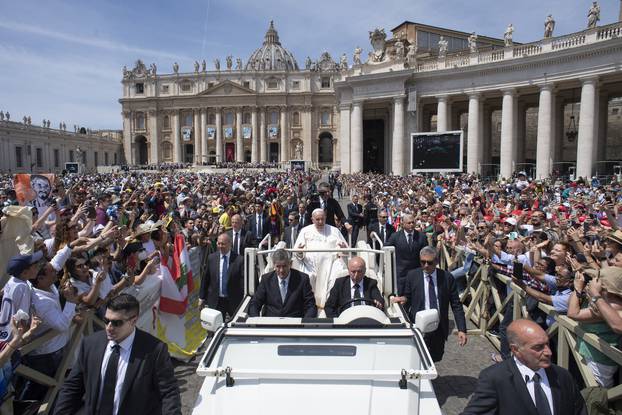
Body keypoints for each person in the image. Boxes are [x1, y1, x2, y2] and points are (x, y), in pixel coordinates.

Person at [54, 294, 181, 415]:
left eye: (116, 323)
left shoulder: (154, 350)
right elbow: (72, 387)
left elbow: (169, 392)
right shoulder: (90, 344)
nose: (109, 327)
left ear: (133, 320)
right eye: (106, 320)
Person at [462, 319, 587, 415]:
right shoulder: (495, 378)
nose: (548, 352)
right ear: (516, 350)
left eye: (547, 344)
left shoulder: (562, 376)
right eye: (538, 347)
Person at [393, 246, 467, 362]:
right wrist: (404, 299)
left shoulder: (447, 278)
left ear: (436, 261)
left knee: (436, 357)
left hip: (438, 326)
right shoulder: (412, 276)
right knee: (416, 357)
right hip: (418, 325)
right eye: (423, 262)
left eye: (429, 262)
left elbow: (456, 305)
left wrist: (462, 329)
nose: (426, 265)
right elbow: (407, 296)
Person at [248, 249, 316, 318]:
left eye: (284, 266)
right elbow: (255, 304)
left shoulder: (302, 279)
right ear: (274, 265)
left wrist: (305, 324)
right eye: (278, 266)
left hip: (295, 325)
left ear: (290, 264)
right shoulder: (266, 280)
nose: (281, 270)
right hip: (270, 325)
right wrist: (256, 321)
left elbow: (310, 305)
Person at [198, 233, 244, 317]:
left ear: (230, 244)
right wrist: (201, 297)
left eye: (223, 244)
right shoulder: (211, 258)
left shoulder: (239, 260)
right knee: (216, 328)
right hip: (216, 300)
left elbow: (242, 282)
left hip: (233, 301)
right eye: (218, 243)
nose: (220, 246)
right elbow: (206, 279)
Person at [386, 213, 428, 294]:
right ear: (403, 224)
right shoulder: (395, 237)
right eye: (409, 223)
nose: (411, 225)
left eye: (413, 222)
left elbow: (425, 253)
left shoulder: (421, 237)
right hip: (401, 274)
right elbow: (386, 248)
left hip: (416, 273)